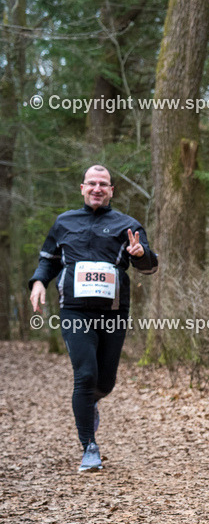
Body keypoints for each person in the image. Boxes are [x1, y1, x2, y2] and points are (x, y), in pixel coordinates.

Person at [29, 165, 158, 472]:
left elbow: (150, 266)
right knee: (85, 375)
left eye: (104, 184)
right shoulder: (64, 222)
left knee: (105, 381)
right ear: (82, 188)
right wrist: (37, 282)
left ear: (111, 190)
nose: (97, 188)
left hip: (113, 312)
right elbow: (47, 259)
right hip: (74, 311)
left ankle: (90, 402)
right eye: (92, 183)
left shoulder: (127, 224)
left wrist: (139, 254)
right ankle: (89, 446)